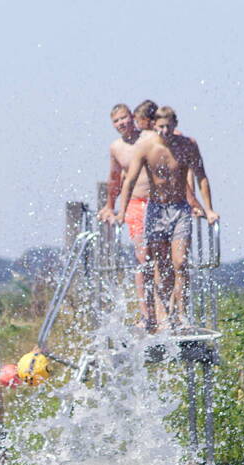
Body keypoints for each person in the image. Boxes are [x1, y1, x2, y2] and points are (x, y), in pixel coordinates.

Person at [116, 107, 219, 331]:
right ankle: (163, 317)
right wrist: (121, 211)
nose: (165, 131)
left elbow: (201, 176)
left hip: (180, 209)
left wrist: (209, 209)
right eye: (161, 127)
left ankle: (181, 315)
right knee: (160, 266)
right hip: (156, 211)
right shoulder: (145, 147)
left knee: (180, 263)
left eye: (169, 126)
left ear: (175, 124)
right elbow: (130, 180)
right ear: (154, 126)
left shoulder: (187, 145)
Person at [96, 102, 157, 326]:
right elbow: (114, 178)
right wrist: (109, 205)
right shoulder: (116, 148)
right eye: (116, 121)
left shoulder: (149, 138)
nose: (121, 123)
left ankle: (163, 311)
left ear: (132, 117)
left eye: (124, 118)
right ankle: (146, 313)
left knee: (161, 258)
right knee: (143, 258)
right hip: (134, 203)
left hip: (158, 202)